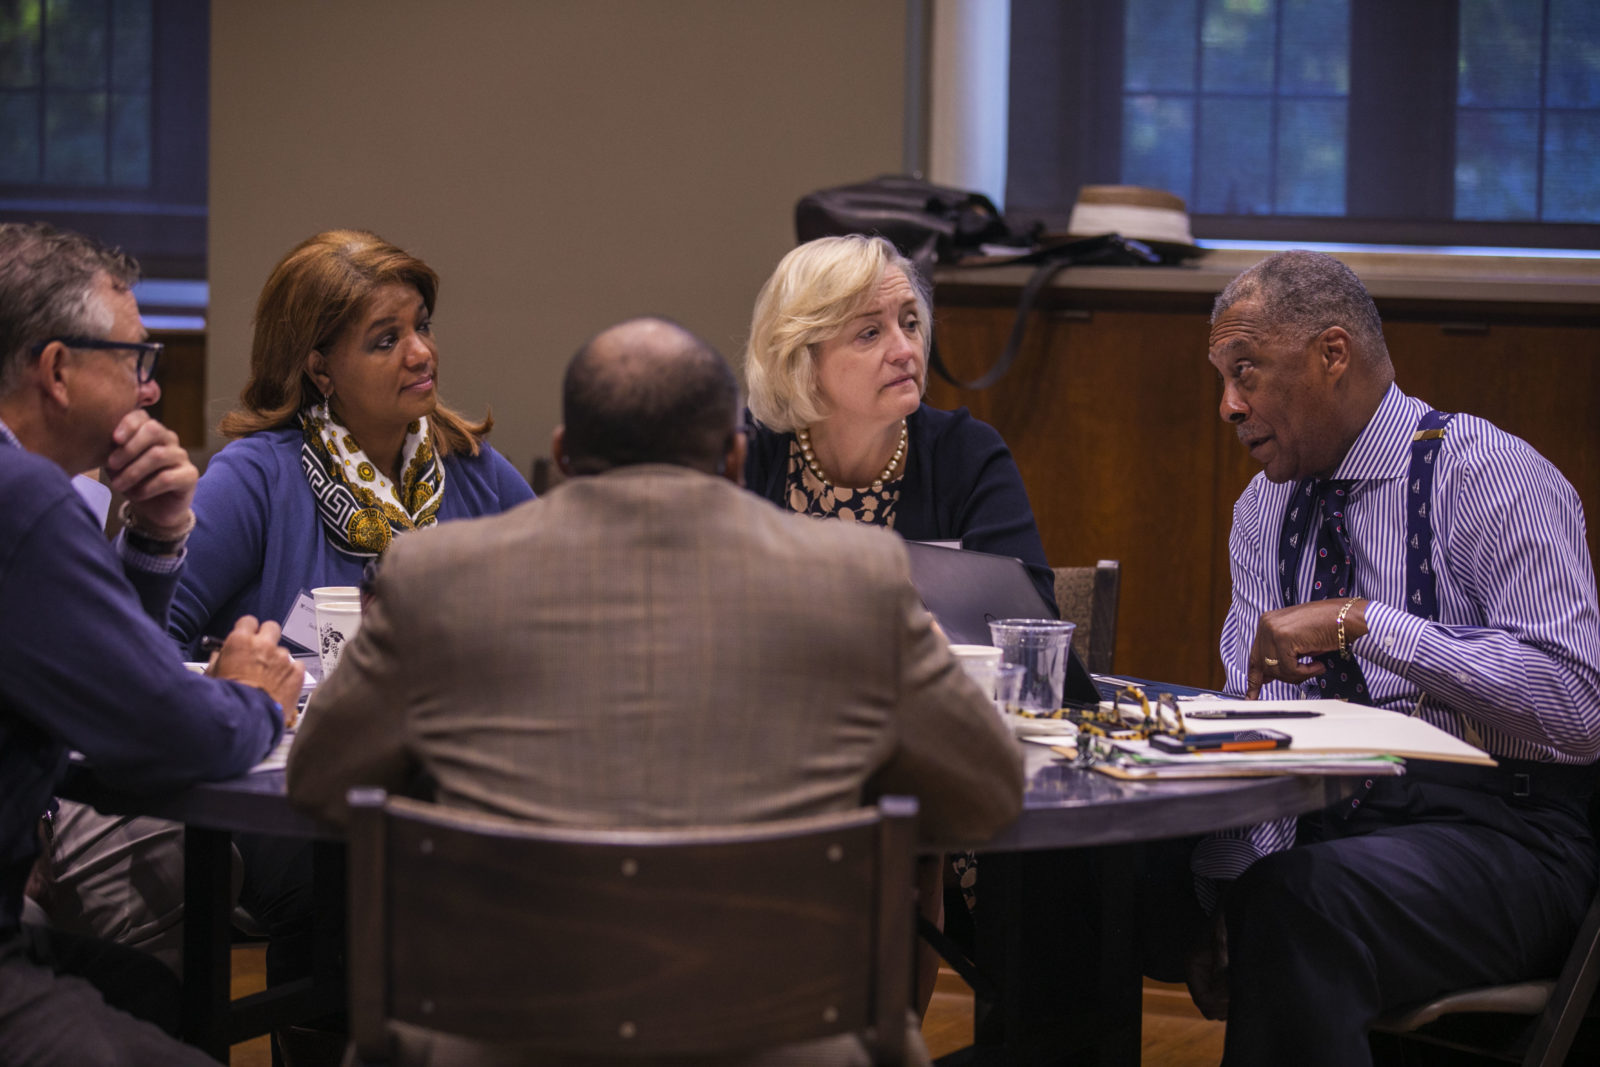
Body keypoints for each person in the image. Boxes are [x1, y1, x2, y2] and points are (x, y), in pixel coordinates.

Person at [286, 316, 1024, 1065]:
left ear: (565, 455)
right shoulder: (859, 577)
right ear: (735, 458)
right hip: (788, 1043)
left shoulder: (430, 576)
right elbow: (988, 794)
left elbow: (319, 781)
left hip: (496, 1043)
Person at [1190, 250, 1600, 1065]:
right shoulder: (1261, 508)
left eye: (1248, 372)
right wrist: (1226, 883)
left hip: (1510, 832)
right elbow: (1262, 723)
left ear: (1331, 355)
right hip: (1336, 820)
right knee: (1129, 876)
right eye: (1222, 378)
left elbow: (1579, 708)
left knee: (1297, 902)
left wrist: (1365, 623)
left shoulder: (1488, 475)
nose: (1229, 406)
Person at [0, 221, 301, 1065]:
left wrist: (157, 537)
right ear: (57, 370)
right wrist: (251, 697)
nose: (150, 392)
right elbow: (169, 732)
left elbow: (84, 688)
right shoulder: (23, 495)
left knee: (148, 992)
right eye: (136, 361)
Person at [167, 228, 534, 655]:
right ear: (321, 371)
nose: (421, 354)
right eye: (387, 340)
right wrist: (232, 699)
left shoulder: (473, 469)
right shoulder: (256, 479)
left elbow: (562, 606)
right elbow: (143, 641)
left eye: (423, 326)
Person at [742, 234, 1055, 612]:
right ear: (802, 362)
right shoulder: (749, 454)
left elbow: (1031, 630)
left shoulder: (965, 454)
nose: (905, 350)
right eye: (870, 333)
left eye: (909, 323)